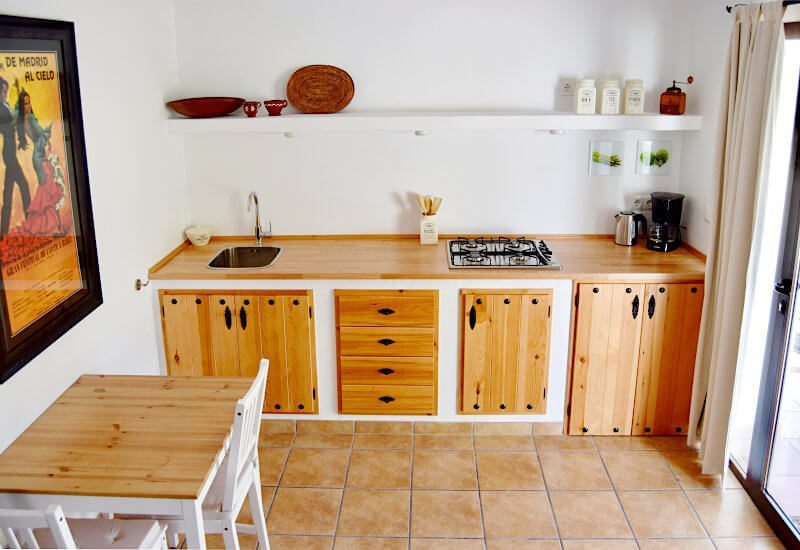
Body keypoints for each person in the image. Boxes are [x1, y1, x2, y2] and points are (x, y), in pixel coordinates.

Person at [0, 75, 30, 236]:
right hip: (9, 152)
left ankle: (2, 231)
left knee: (8, 191)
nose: (6, 93)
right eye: (4, 91)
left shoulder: (5, 105)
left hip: (9, 151)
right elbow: (11, 124)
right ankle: (32, 222)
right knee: (24, 185)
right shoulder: (0, 108)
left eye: (6, 91)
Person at [15, 82, 52, 186]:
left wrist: (18, 89)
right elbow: (41, 132)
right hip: (39, 157)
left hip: (39, 156)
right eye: (26, 103)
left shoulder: (22, 118)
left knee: (45, 186)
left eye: (29, 102)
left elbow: (19, 106)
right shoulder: (29, 117)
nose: (29, 105)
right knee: (46, 187)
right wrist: (48, 139)